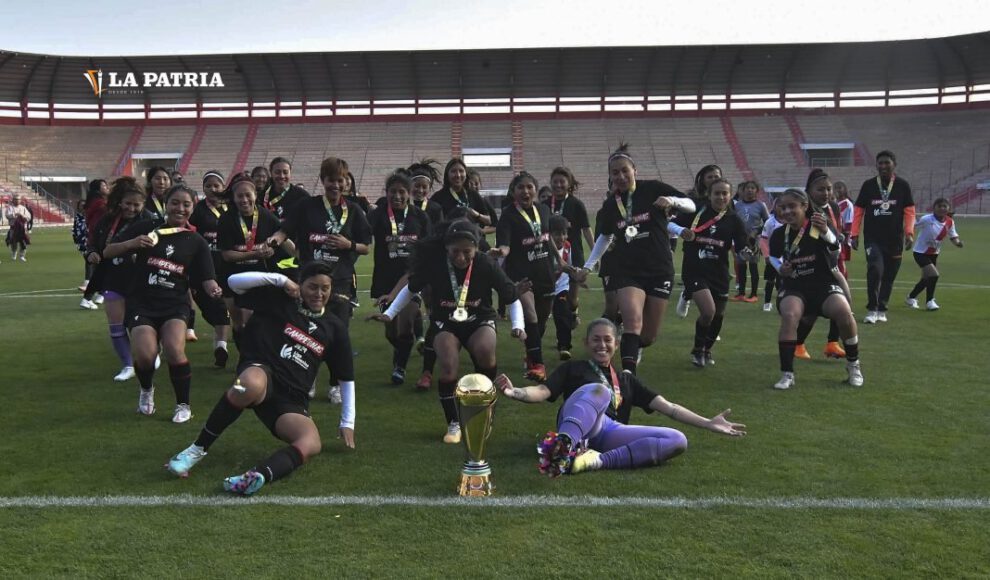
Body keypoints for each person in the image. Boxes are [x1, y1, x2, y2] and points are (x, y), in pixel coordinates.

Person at [165, 262, 356, 496]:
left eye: (325, 288)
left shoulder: (334, 327)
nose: (319, 294)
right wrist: (279, 279)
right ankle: (195, 451)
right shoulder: (278, 299)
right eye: (312, 287)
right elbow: (234, 282)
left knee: (311, 442)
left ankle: (257, 476)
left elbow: (346, 377)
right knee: (247, 385)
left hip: (291, 398)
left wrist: (348, 422)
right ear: (300, 285)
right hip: (260, 373)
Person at [495, 318, 745, 476]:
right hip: (578, 425)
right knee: (600, 391)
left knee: (677, 440)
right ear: (585, 343)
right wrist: (514, 391)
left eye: (607, 340)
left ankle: (593, 462)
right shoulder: (574, 368)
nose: (601, 345)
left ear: (616, 344)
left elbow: (669, 408)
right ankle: (563, 448)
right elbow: (542, 392)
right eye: (596, 340)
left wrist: (709, 423)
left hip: (609, 432)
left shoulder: (626, 379)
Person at [369, 219, 526, 444]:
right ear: (446, 248)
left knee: (485, 351)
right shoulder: (435, 264)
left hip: (479, 318)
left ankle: (483, 411)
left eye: (467, 252)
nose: (460, 257)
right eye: (455, 251)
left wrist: (517, 325)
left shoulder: (485, 264)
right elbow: (410, 288)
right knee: (449, 366)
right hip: (446, 322)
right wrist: (390, 314)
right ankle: (453, 423)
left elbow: (511, 297)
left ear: (477, 248)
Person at [102, 184, 223, 422]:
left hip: (175, 304)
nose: (180, 208)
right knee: (146, 356)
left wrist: (214, 289)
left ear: (193, 206)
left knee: (174, 350)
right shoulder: (147, 227)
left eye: (186, 204)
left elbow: (207, 277)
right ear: (166, 204)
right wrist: (132, 243)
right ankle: (146, 390)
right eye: (175, 203)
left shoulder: (196, 241)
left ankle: (183, 405)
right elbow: (107, 252)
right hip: (142, 303)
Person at [574, 143, 695, 375]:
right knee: (632, 321)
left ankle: (634, 346)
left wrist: (672, 201)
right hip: (627, 271)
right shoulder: (611, 205)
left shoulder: (653, 189)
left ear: (634, 171)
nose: (620, 176)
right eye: (615, 172)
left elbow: (691, 205)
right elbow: (604, 237)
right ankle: (627, 378)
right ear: (610, 176)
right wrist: (588, 267)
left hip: (659, 269)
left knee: (648, 336)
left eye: (624, 170)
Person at [266, 157, 371, 402]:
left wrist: (350, 244)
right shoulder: (306, 206)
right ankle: (307, 378)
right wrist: (273, 241)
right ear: (323, 181)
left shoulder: (354, 210)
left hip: (341, 281)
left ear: (346, 182)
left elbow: (366, 246)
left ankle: (335, 385)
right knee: (304, 331)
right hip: (309, 281)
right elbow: (285, 230)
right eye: (331, 180)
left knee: (337, 333)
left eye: (340, 180)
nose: (335, 185)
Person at [768, 188, 863, 390]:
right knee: (790, 315)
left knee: (844, 313)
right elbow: (774, 258)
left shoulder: (818, 225)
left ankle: (854, 366)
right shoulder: (779, 234)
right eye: (782, 207)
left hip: (822, 284)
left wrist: (827, 232)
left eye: (791, 206)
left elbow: (836, 249)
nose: (786, 211)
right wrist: (781, 268)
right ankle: (787, 374)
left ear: (804, 206)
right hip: (795, 285)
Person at [670, 178, 749, 368]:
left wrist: (745, 253)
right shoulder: (698, 211)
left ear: (730, 196)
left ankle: (707, 349)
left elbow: (741, 246)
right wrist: (681, 231)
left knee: (718, 315)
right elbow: (669, 224)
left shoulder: (734, 219)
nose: (721, 197)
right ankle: (697, 350)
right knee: (708, 311)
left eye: (725, 193)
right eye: (717, 193)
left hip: (719, 272)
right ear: (710, 194)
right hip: (695, 270)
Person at [85, 177, 155, 382]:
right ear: (120, 202)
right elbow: (93, 243)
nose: (131, 208)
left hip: (140, 277)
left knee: (144, 322)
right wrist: (91, 254)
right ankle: (127, 365)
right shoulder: (107, 219)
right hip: (112, 276)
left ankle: (151, 353)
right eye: (128, 203)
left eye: (136, 204)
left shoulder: (150, 219)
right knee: (116, 324)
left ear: (143, 204)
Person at [491, 172, 558, 381]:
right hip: (520, 276)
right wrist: (501, 252)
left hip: (545, 274)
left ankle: (531, 352)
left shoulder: (545, 210)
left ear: (535, 190)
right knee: (531, 316)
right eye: (521, 188)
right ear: (513, 192)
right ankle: (538, 365)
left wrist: (561, 262)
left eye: (529, 187)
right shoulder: (508, 215)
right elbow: (505, 244)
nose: (525, 191)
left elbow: (547, 238)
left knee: (541, 322)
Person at [368, 169, 431, 385]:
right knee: (392, 332)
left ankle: (399, 368)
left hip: (413, 278)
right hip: (385, 279)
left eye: (402, 192)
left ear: (409, 193)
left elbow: (429, 245)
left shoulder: (420, 217)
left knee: (405, 326)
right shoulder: (377, 216)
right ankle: (403, 348)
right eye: (392, 192)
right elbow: (361, 233)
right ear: (386, 193)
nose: (397, 196)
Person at [792, 169, 854, 361]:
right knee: (811, 312)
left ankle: (832, 343)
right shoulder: (804, 209)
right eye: (820, 189)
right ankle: (798, 344)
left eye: (828, 189)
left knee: (843, 302)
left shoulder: (834, 206)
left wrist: (839, 236)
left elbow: (835, 231)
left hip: (834, 262)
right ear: (809, 190)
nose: (826, 193)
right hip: (813, 265)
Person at [218, 172, 286, 346]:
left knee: (251, 320)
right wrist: (255, 254)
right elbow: (226, 255)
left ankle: (251, 357)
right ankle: (242, 347)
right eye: (239, 196)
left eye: (248, 195)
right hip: (231, 276)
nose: (244, 200)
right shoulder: (226, 219)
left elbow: (282, 235)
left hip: (257, 275)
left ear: (255, 195)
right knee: (239, 322)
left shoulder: (266, 216)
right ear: (233, 198)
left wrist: (275, 246)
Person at [850, 150, 915, 324]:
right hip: (873, 239)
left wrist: (909, 233)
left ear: (894, 164)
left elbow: (909, 211)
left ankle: (882, 308)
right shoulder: (869, 185)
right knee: (875, 270)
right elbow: (858, 211)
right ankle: (872, 308)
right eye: (880, 163)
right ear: (876, 165)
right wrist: (854, 234)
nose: (883, 166)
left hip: (895, 240)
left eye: (887, 162)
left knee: (888, 276)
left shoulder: (902, 185)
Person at [188, 170, 233, 367]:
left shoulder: (232, 208)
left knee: (222, 306)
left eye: (217, 185)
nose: (213, 189)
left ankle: (221, 346)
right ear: (203, 188)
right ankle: (220, 338)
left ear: (223, 187)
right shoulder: (197, 210)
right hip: (203, 265)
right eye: (209, 186)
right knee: (208, 306)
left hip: (228, 264)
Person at [676, 164, 723, 318]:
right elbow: (677, 221)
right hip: (694, 246)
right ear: (702, 180)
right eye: (710, 177)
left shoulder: (725, 200)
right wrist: (682, 231)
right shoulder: (693, 201)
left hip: (717, 248)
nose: (714, 179)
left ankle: (711, 323)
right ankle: (687, 294)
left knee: (712, 284)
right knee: (693, 278)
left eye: (717, 176)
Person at [548, 166, 593, 321]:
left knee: (572, 297)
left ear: (569, 183)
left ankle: (573, 311)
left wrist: (595, 254)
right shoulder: (544, 204)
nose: (558, 185)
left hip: (574, 254)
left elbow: (586, 229)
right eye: (555, 181)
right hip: (551, 254)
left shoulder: (576, 204)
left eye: (562, 181)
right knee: (551, 293)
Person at [906, 198, 963, 311]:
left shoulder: (949, 222)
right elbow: (913, 225)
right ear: (934, 208)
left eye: (944, 206)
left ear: (948, 208)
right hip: (920, 252)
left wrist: (958, 243)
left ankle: (911, 297)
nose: (942, 208)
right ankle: (930, 301)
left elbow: (953, 236)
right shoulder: (927, 219)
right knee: (934, 275)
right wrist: (908, 237)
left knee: (926, 279)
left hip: (934, 253)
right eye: (939, 206)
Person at [430, 158, 496, 233]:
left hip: (473, 239)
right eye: (453, 171)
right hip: (448, 240)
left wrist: (476, 214)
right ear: (447, 175)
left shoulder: (473, 194)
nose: (458, 175)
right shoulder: (438, 197)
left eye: (461, 171)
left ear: (466, 174)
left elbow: (488, 221)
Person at [731, 180, 768, 303]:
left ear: (756, 191)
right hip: (740, 240)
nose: (750, 190)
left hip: (753, 241)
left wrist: (756, 232)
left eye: (753, 188)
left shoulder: (760, 205)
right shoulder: (737, 206)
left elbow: (767, 223)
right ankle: (741, 293)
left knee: (753, 267)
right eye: (748, 188)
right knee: (741, 267)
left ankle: (753, 294)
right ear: (743, 190)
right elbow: (733, 221)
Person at [548, 215, 579, 361]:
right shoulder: (545, 248)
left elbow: (570, 265)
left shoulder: (567, 246)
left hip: (561, 287)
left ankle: (564, 347)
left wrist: (576, 275)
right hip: (545, 288)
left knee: (562, 315)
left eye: (564, 233)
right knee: (539, 320)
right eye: (557, 233)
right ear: (549, 235)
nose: (561, 237)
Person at [78, 179, 110, 308]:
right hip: (101, 239)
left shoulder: (93, 203)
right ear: (98, 189)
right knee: (105, 270)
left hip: (95, 238)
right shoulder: (100, 203)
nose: (107, 187)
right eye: (104, 186)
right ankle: (91, 297)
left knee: (102, 270)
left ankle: (98, 295)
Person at [759, 195, 783, 313]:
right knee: (770, 280)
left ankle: (782, 303)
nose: (782, 208)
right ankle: (767, 303)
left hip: (786, 258)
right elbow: (763, 240)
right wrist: (767, 256)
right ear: (775, 207)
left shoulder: (790, 221)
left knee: (782, 281)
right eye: (779, 205)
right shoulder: (770, 222)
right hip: (773, 257)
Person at [833, 180, 854, 278]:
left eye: (839, 188)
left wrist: (846, 237)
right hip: (835, 235)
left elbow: (849, 221)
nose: (837, 190)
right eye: (836, 188)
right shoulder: (835, 203)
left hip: (843, 237)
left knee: (841, 261)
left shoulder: (847, 204)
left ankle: (844, 281)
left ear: (845, 190)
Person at [4, 194, 31, 261]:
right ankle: (14, 254)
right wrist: (14, 215)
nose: (17, 201)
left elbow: (29, 217)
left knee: (23, 242)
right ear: (13, 200)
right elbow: (7, 216)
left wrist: (23, 216)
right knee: (13, 242)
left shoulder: (23, 208)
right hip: (13, 228)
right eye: (15, 199)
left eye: (18, 199)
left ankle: (22, 255)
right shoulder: (10, 208)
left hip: (22, 229)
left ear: (20, 200)